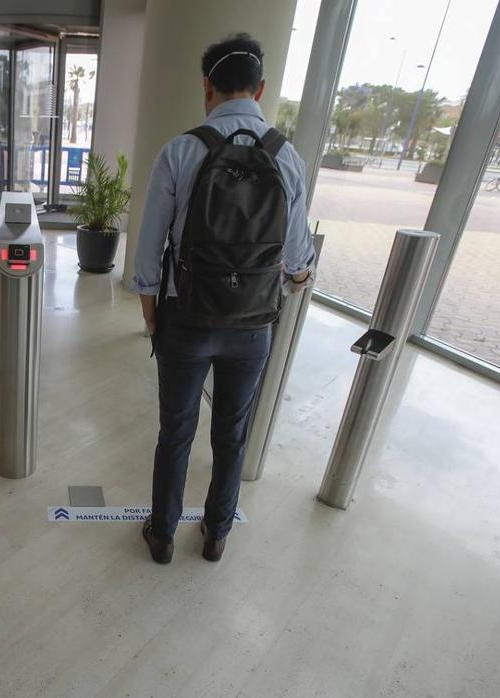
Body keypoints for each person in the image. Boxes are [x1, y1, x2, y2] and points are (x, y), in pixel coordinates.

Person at [130, 33, 316, 564]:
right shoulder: (287, 157)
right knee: (231, 434)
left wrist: (153, 316)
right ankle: (216, 534)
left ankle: (162, 534)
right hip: (252, 322)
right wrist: (296, 282)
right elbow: (298, 252)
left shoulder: (182, 149)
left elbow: (149, 249)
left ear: (207, 86)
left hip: (185, 315)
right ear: (259, 90)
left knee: (176, 432)